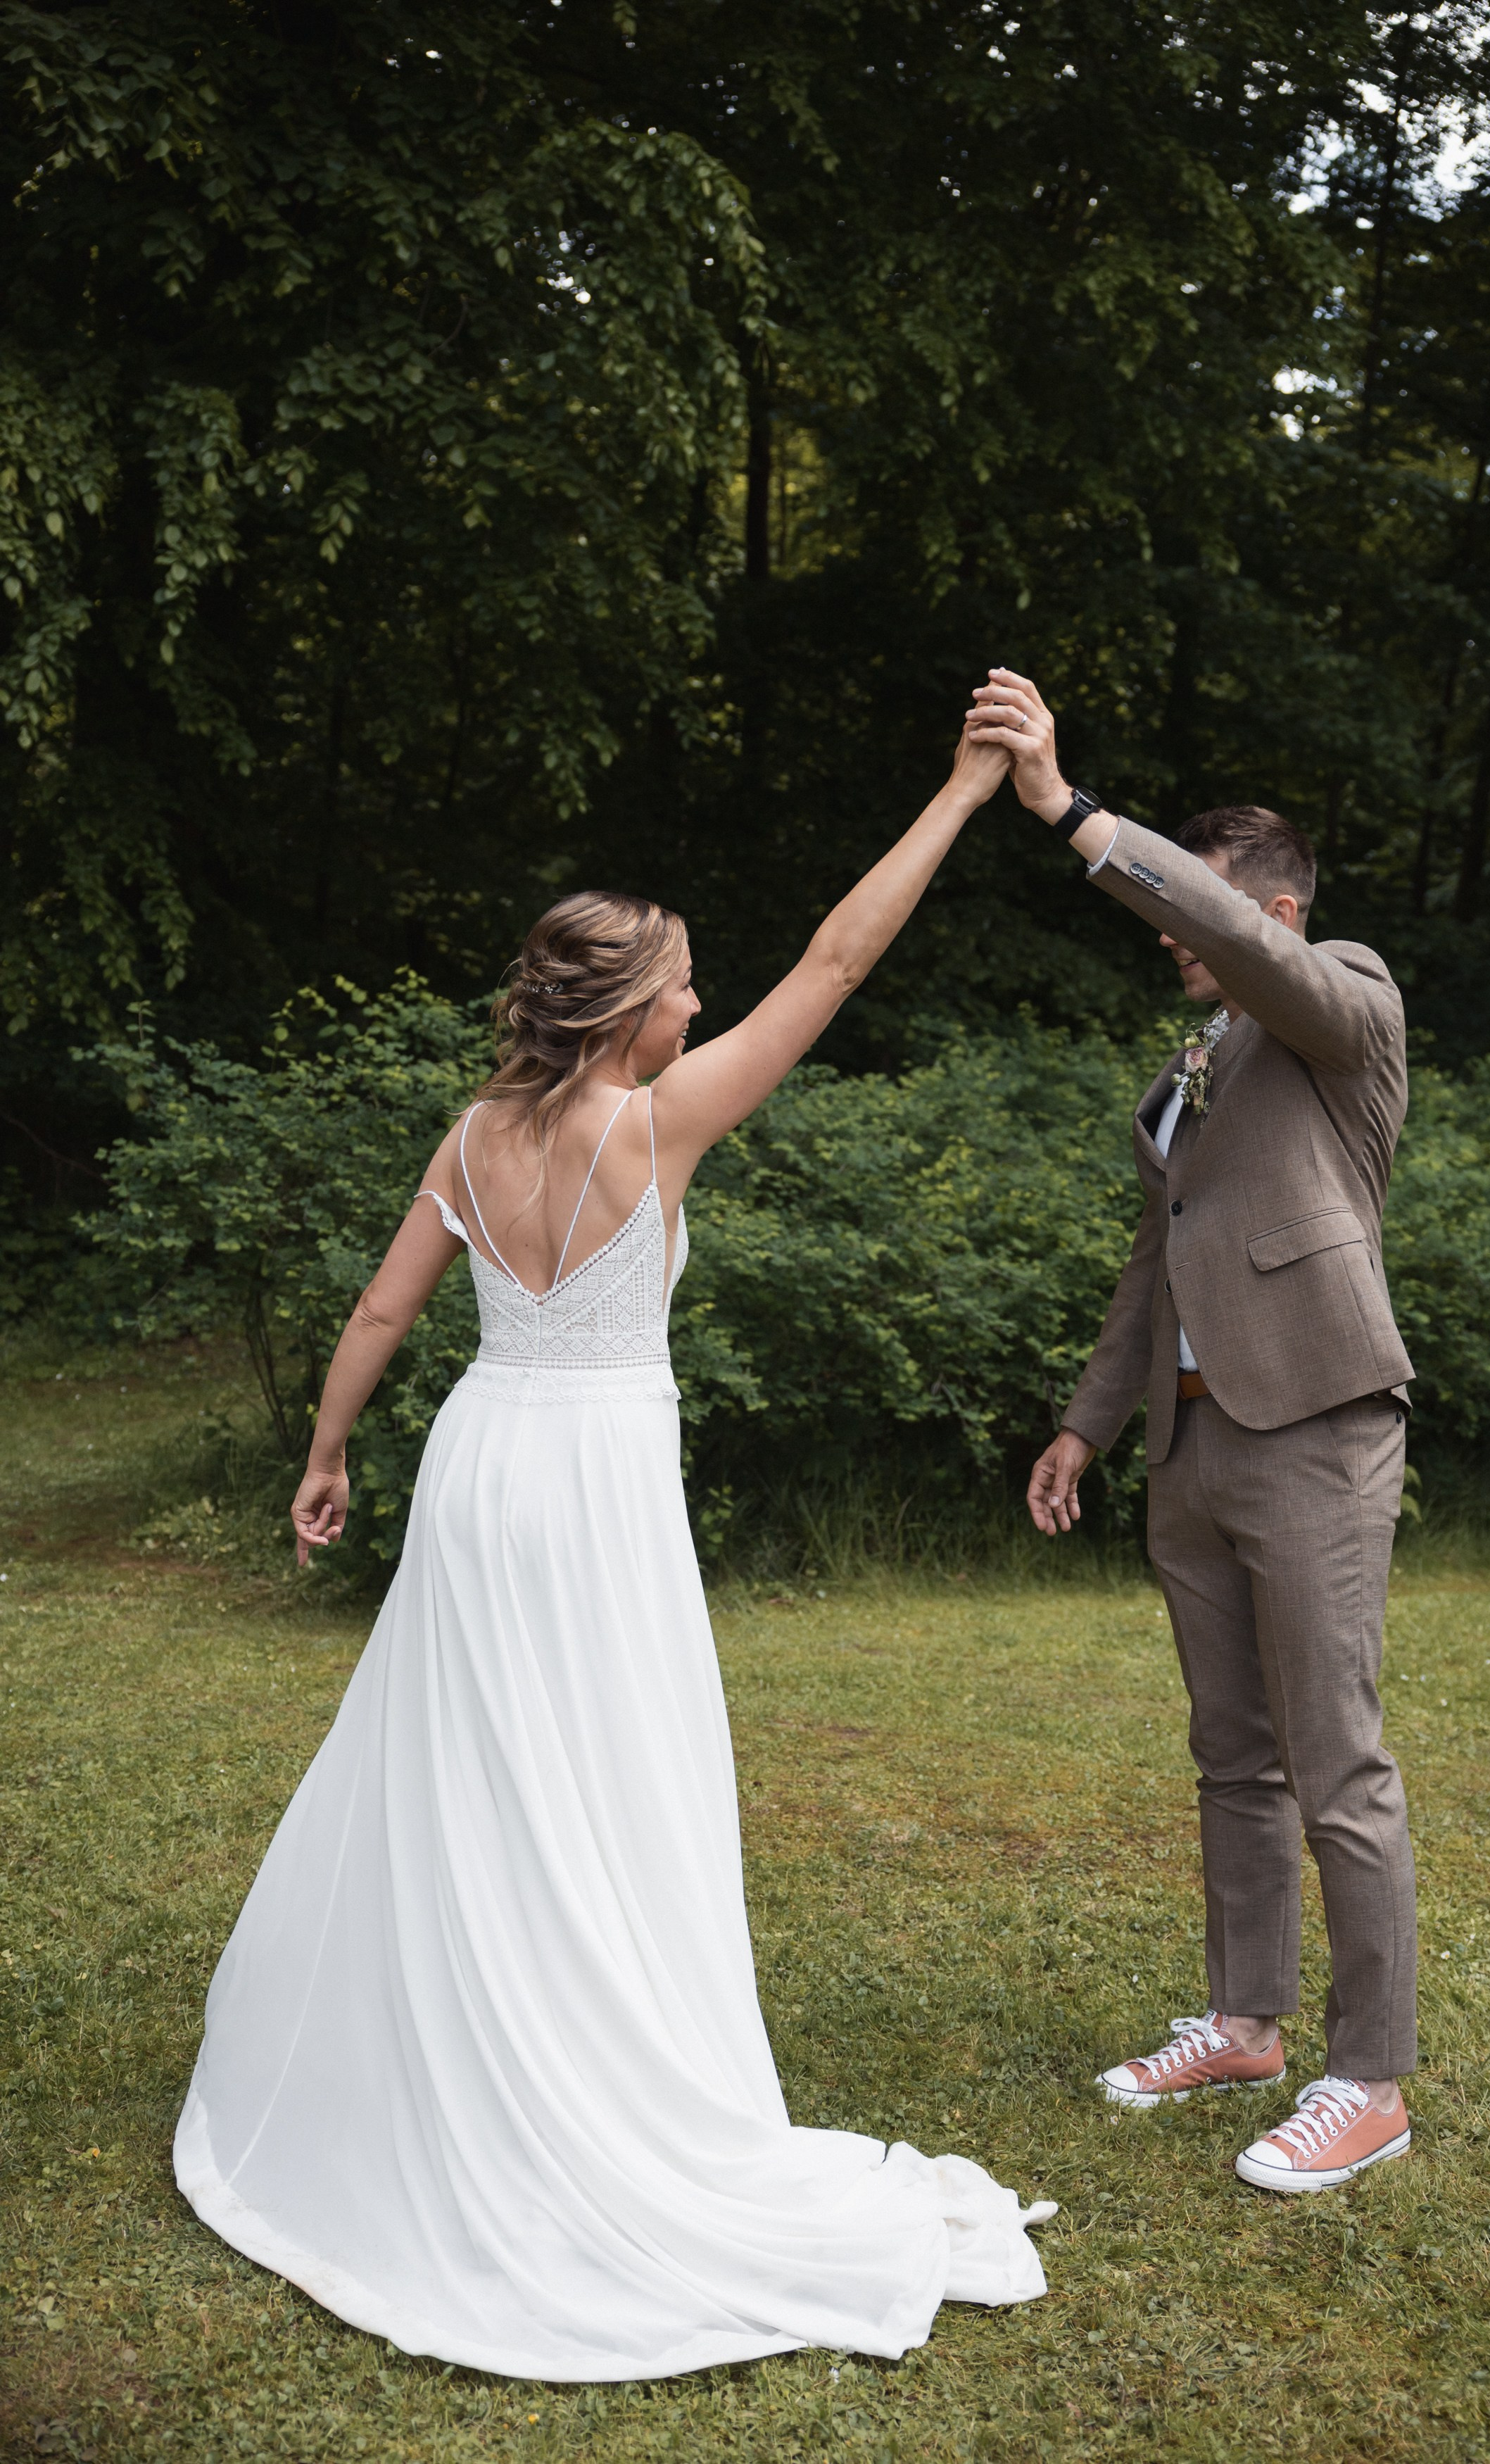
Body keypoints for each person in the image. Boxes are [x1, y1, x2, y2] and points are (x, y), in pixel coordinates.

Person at [173, 728, 1054, 2382]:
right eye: (682, 989)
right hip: (595, 1483)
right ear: (626, 1009)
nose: (702, 1010)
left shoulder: (468, 1136)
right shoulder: (657, 1127)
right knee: (612, 1768)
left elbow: (380, 1310)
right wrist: (953, 793)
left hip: (482, 1461)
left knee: (482, 1771)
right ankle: (599, 2074)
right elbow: (842, 956)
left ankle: (475, 2043)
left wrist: (327, 1449)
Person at [964, 669, 1418, 2196]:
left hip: (1316, 1429)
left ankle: (1372, 2078)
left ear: (1272, 912)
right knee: (1234, 1755)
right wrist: (1088, 1427)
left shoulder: (1342, 999)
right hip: (1193, 1443)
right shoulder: (1198, 1064)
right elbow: (1156, 1259)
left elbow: (1236, 942)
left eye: (1204, 908)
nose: (1178, 933)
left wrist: (1077, 818)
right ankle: (1245, 2020)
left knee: (1333, 1759)